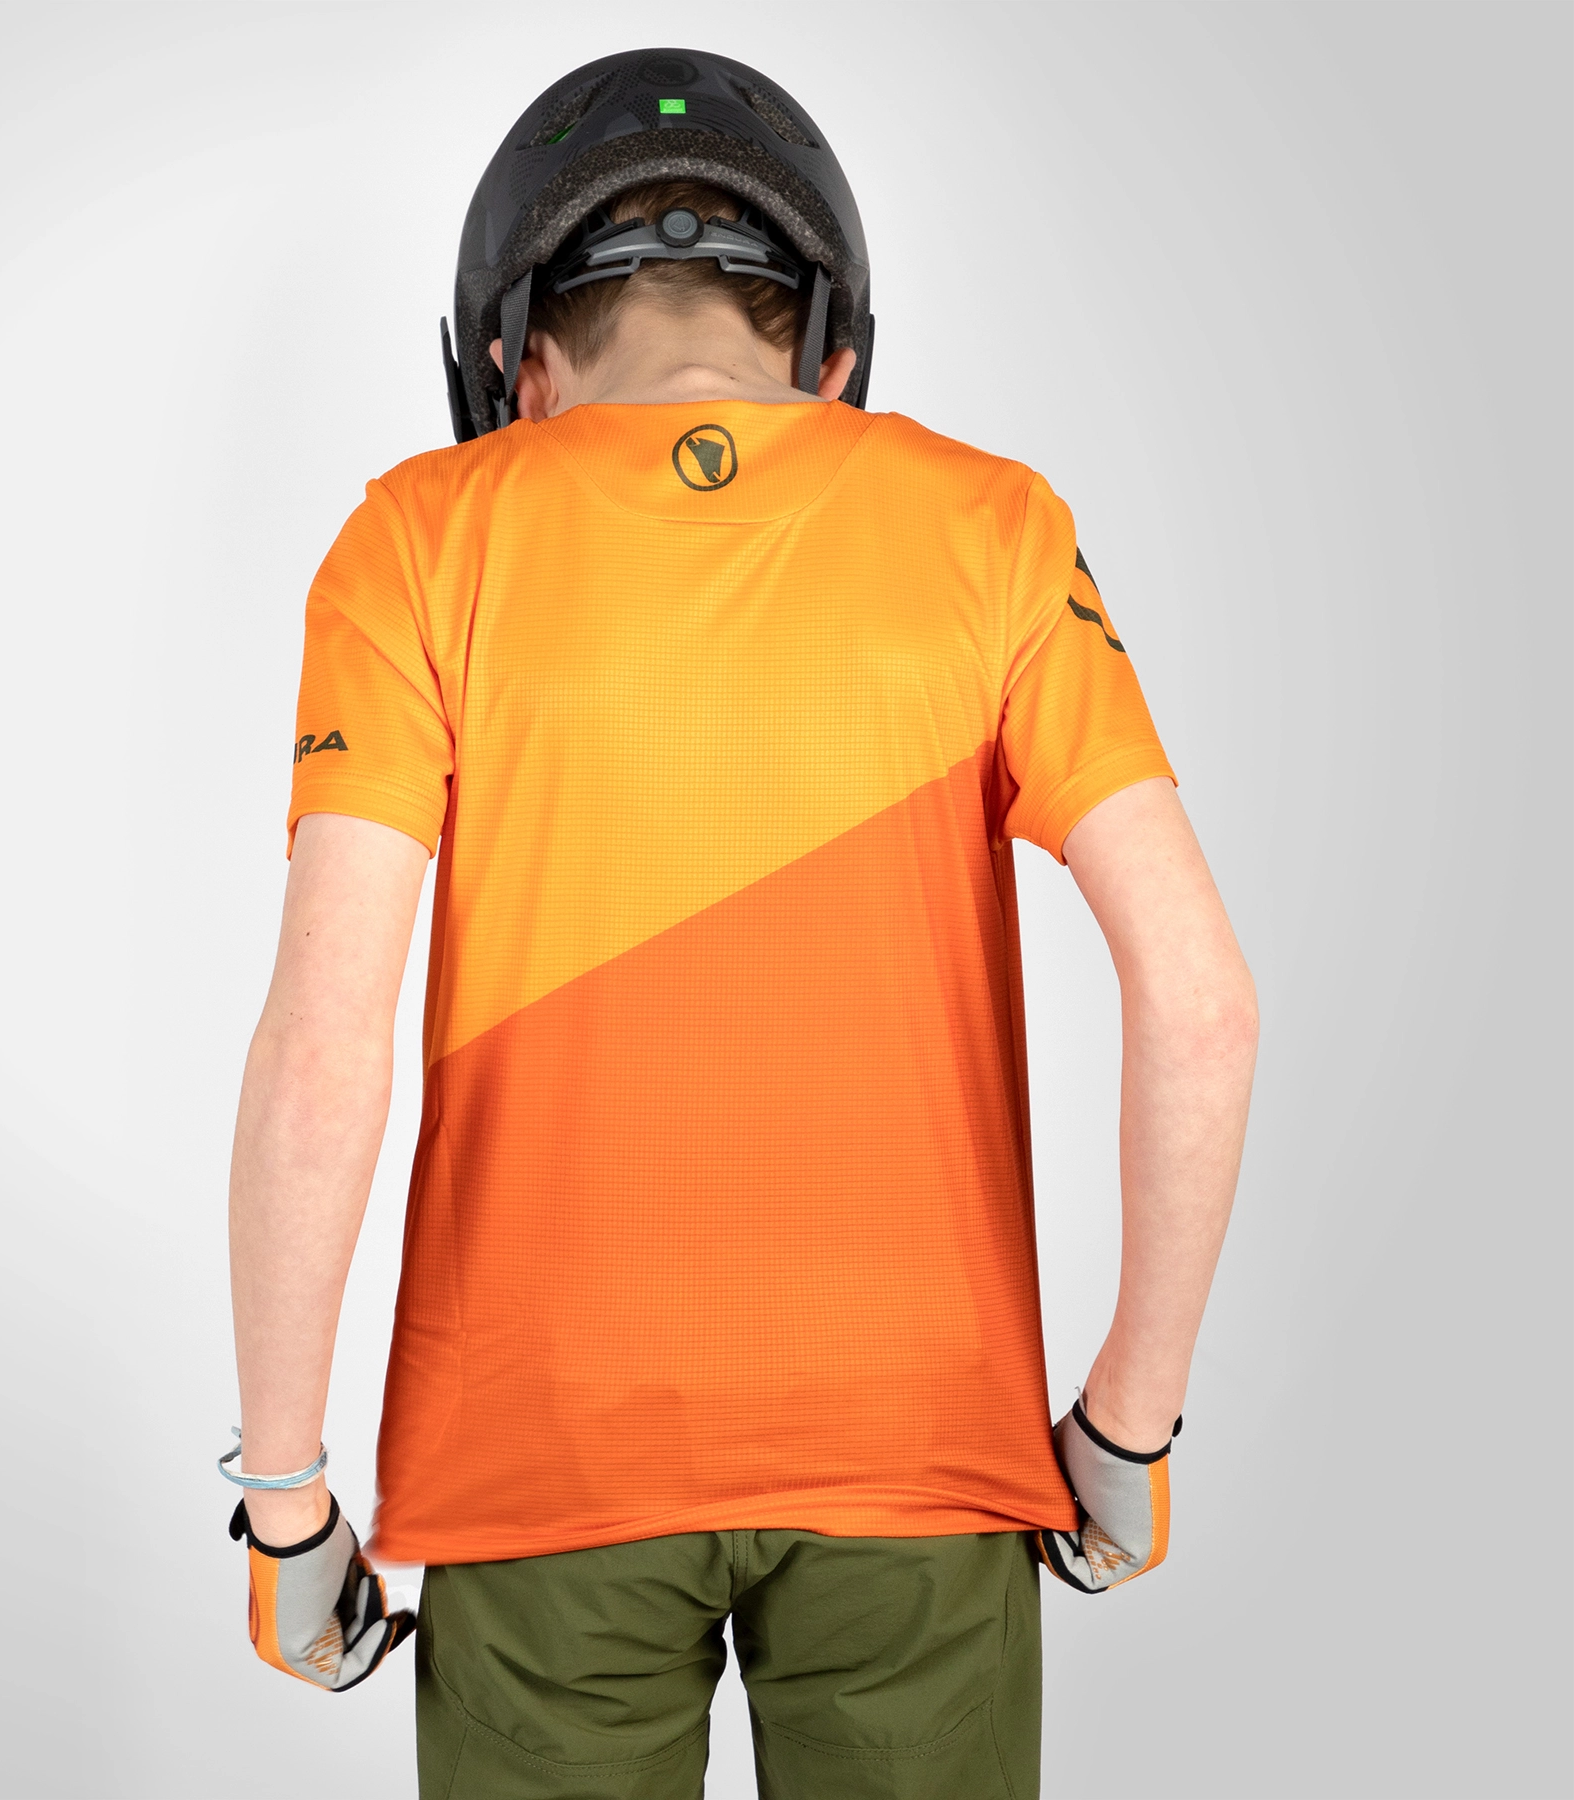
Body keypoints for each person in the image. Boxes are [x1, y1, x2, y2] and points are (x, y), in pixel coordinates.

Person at [223, 46, 1257, 1800]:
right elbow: (1205, 1005)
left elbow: (324, 1060)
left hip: (537, 1466)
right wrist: (1128, 1431)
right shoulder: (994, 528)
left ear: (515, 362)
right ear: (831, 358)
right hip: (920, 1457)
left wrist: (284, 1499)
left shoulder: (418, 538)